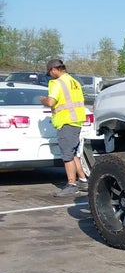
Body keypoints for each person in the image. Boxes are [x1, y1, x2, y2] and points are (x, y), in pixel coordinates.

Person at [40, 59, 89, 197]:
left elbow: (51, 102)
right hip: (76, 121)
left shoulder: (57, 83)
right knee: (73, 154)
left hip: (66, 122)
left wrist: (42, 99)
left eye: (50, 73)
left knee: (67, 155)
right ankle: (84, 181)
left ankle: (71, 184)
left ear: (54, 70)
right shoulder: (74, 82)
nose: (50, 76)